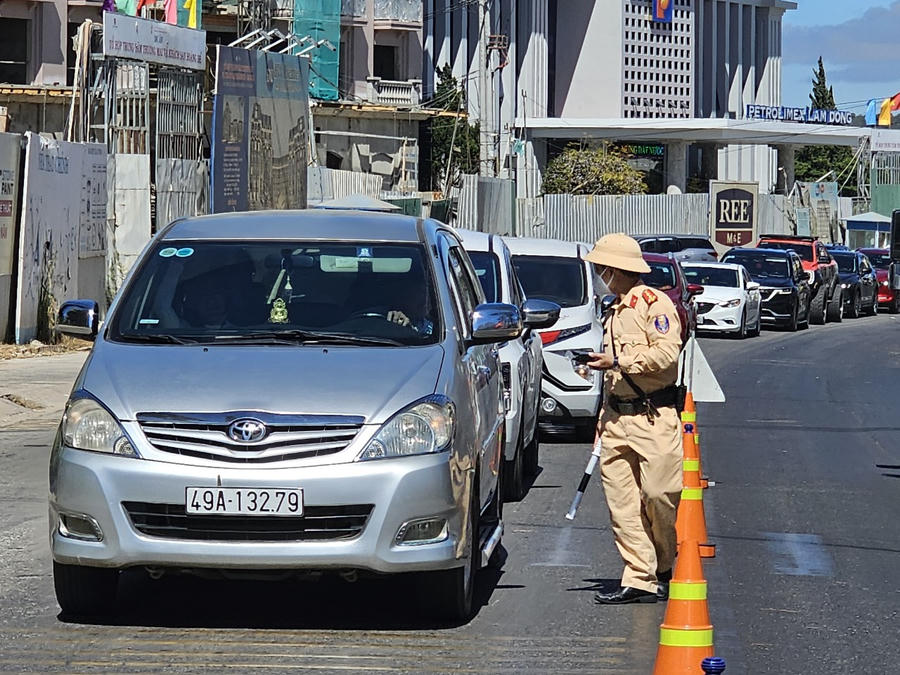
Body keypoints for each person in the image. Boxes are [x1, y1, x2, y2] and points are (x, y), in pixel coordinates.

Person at [583, 233, 684, 605]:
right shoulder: (612, 310)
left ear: (616, 269)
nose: (598, 275)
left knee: (659, 495)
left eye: (601, 268)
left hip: (654, 417)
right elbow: (612, 374)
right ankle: (640, 577)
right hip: (616, 419)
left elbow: (667, 354)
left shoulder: (653, 304)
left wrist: (620, 362)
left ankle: (663, 564)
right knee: (623, 505)